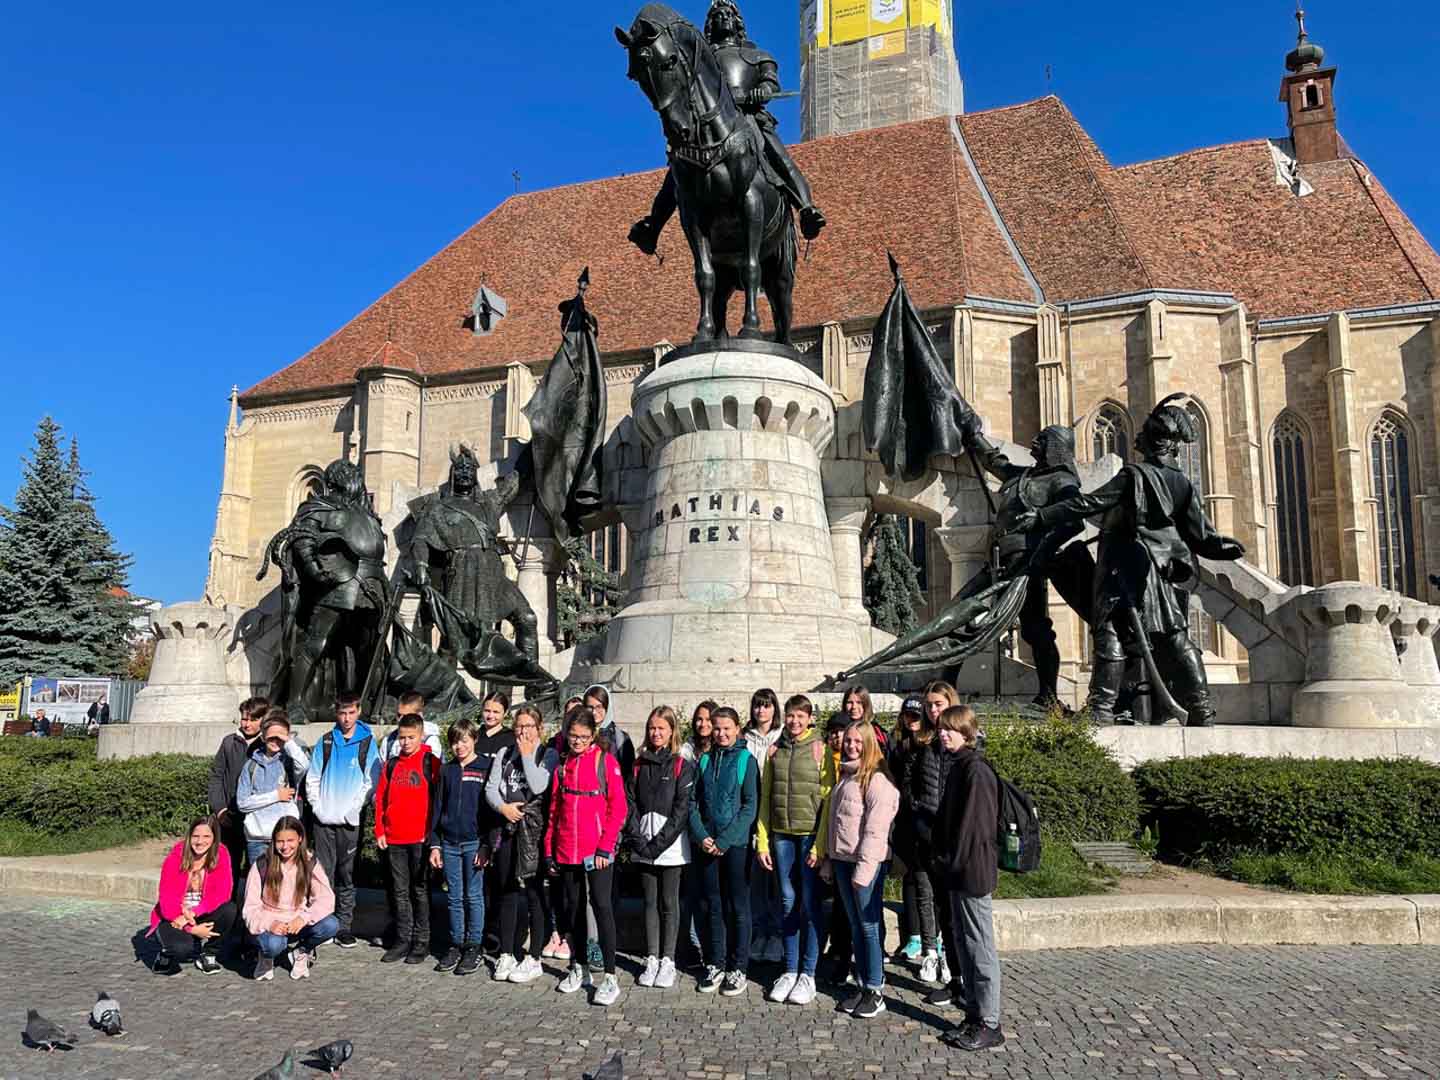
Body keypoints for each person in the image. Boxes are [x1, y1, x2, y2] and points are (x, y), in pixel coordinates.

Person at [1013, 395, 1245, 726]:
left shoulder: (1134, 476)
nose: (1136, 439)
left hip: (1123, 567)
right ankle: (1201, 708)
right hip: (1158, 571)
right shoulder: (1181, 482)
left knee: (1109, 632)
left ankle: (1101, 709)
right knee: (1174, 635)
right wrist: (1223, 548)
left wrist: (1041, 516)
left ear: (1154, 440)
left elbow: (1087, 504)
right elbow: (1202, 535)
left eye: (1142, 433)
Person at [930, 705, 1004, 1051]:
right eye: (941, 728)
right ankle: (974, 1016)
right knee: (963, 945)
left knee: (980, 948)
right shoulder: (957, 765)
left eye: (950, 729)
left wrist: (951, 862)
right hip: (957, 872)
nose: (943, 733)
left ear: (966, 732)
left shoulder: (976, 770)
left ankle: (990, 1022)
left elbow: (974, 829)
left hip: (972, 872)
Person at [544, 705, 628, 1006]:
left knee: (602, 907)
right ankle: (579, 966)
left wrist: (606, 846)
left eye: (583, 736)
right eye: (573, 736)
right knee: (573, 909)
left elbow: (618, 808)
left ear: (593, 735)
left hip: (598, 851)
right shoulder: (562, 766)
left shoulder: (605, 762)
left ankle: (610, 976)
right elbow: (554, 812)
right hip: (568, 849)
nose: (577, 741)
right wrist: (549, 850)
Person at [815, 721, 899, 1020]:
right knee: (855, 926)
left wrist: (863, 873)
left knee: (868, 926)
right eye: (848, 740)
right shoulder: (846, 776)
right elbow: (835, 824)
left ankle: (875, 989)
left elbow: (875, 833)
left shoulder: (877, 781)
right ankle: (863, 985)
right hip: (842, 862)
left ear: (869, 744)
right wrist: (829, 859)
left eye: (857, 741)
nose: (851, 745)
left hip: (866, 865)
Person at [755, 693, 830, 1006]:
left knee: (809, 904)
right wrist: (762, 840)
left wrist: (820, 845)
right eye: (790, 715)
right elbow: (765, 798)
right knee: (787, 902)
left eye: (801, 716)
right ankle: (789, 969)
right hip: (782, 836)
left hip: (809, 836)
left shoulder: (820, 749)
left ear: (810, 718)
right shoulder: (775, 750)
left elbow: (827, 800)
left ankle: (808, 973)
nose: (795, 721)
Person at [689, 705, 760, 997]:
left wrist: (725, 840)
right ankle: (716, 963)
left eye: (726, 728)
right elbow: (693, 803)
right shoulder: (705, 760)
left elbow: (750, 806)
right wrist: (701, 835)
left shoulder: (746, 761)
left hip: (735, 845)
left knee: (738, 907)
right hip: (708, 843)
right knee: (713, 906)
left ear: (737, 729)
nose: (721, 733)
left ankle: (738, 966)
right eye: (717, 728)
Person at [624, 705, 694, 990]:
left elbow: (681, 810)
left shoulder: (681, 765)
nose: (656, 733)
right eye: (652, 728)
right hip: (643, 845)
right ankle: (652, 957)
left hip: (671, 848)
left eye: (661, 728)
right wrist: (639, 840)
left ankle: (668, 959)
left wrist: (658, 844)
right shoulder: (638, 765)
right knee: (649, 903)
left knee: (669, 902)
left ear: (671, 731)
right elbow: (629, 804)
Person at [486, 704, 556, 984]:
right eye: (519, 726)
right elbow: (491, 788)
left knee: (535, 892)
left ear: (539, 729)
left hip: (533, 832)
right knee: (507, 890)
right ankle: (506, 952)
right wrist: (503, 808)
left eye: (528, 726)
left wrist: (527, 754)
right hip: (508, 828)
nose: (522, 731)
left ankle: (534, 956)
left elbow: (539, 785)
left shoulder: (547, 754)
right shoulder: (504, 753)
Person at [304, 692, 377, 950]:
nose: (346, 718)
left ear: (359, 711)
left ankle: (344, 926)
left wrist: (353, 809)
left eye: (351, 713)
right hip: (324, 820)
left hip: (349, 821)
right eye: (342, 713)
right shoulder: (325, 741)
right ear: (336, 713)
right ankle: (325, 922)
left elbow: (371, 781)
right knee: (323, 873)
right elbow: (313, 778)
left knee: (347, 874)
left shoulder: (367, 742)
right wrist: (318, 808)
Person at [911, 684, 967, 1012]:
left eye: (939, 704)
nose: (933, 710)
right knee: (943, 912)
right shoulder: (925, 743)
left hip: (956, 842)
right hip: (929, 836)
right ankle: (955, 979)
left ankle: (966, 981)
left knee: (958, 916)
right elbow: (913, 785)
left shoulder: (963, 744)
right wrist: (919, 817)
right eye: (929, 705)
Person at [374, 712, 440, 965]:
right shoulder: (391, 765)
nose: (406, 742)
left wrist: (433, 835)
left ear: (421, 736)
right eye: (402, 737)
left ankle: (422, 941)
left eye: (411, 737)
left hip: (420, 839)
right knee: (399, 892)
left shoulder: (430, 762)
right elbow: (381, 799)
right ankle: (403, 939)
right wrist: (380, 830)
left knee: (419, 890)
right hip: (394, 838)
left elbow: (438, 800)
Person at [242, 815, 337, 981]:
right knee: (273, 945)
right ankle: (266, 956)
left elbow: (326, 898)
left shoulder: (309, 862)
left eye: (290, 840)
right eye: (280, 841)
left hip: (297, 922)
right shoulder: (262, 864)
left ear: (300, 838)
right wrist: (270, 924)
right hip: (270, 924)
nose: (285, 846)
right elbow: (250, 907)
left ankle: (302, 951)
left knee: (331, 925)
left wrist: (303, 918)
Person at [427, 717, 488, 975]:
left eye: (464, 741)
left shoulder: (485, 767)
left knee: (473, 895)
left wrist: (486, 845)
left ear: (474, 739)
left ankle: (474, 945)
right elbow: (437, 808)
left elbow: (489, 811)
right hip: (449, 843)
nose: (459, 746)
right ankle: (456, 943)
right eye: (454, 742)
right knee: (454, 897)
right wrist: (435, 844)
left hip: (474, 842)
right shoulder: (447, 770)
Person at [890, 695, 944, 981]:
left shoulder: (931, 743)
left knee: (935, 887)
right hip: (909, 820)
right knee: (915, 881)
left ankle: (938, 945)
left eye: (916, 715)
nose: (912, 720)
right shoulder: (900, 744)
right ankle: (921, 941)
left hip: (934, 825)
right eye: (908, 715)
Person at [148, 816, 236, 975]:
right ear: (189, 836)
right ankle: (166, 952)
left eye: (206, 836)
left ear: (214, 838)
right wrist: (192, 928)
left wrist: (194, 913)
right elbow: (167, 901)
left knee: (229, 909)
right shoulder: (175, 857)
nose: (200, 841)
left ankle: (209, 953)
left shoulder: (221, 854)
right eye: (196, 836)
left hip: (200, 911)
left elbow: (223, 892)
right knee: (182, 949)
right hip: (174, 916)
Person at [208, 697, 269, 901]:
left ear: (263, 719)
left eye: (253, 719)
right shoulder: (229, 742)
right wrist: (220, 809)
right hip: (229, 816)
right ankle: (226, 908)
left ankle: (252, 910)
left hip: (257, 820)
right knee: (227, 867)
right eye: (244, 719)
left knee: (256, 869)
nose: (247, 724)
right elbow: (217, 776)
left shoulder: (268, 744)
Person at [235, 711, 310, 873]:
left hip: (285, 838)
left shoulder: (290, 762)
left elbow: (304, 765)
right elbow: (242, 803)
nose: (276, 741)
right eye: (271, 737)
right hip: (257, 838)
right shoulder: (251, 766)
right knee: (259, 881)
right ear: (263, 737)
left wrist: (287, 741)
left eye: (280, 738)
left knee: (287, 881)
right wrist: (276, 796)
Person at [743, 688, 784, 963]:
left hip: (775, 812)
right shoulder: (744, 737)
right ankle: (759, 933)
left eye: (767, 705)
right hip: (750, 811)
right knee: (756, 880)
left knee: (778, 879)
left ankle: (777, 935)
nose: (762, 710)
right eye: (758, 705)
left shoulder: (782, 736)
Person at [677, 699, 718, 968]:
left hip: (714, 833)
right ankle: (693, 946)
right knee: (692, 892)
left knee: (712, 894)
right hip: (690, 830)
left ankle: (713, 947)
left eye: (708, 720)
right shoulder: (687, 750)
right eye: (699, 719)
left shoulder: (721, 751)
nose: (703, 724)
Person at [818, 712, 853, 984]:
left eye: (840, 731)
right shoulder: (825, 758)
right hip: (827, 841)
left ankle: (852, 959)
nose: (836, 736)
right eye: (832, 732)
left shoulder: (856, 764)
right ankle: (837, 953)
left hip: (850, 847)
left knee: (850, 908)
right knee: (832, 904)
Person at [381, 692, 444, 760]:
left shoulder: (430, 740)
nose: (400, 720)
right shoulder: (389, 740)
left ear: (419, 715)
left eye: (406, 716)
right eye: (399, 715)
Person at [841, 685, 890, 753]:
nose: (854, 707)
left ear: (866, 705)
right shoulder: (838, 730)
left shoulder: (875, 732)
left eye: (859, 702)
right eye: (850, 702)